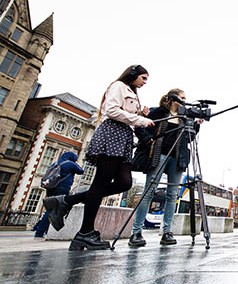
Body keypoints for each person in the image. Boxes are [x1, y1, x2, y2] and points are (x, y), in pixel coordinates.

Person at [43, 65, 154, 250]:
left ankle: (66, 201)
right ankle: (85, 232)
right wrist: (140, 120)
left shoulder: (131, 92)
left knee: (125, 182)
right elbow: (111, 111)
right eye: (143, 78)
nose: (145, 82)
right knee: (100, 183)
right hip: (112, 134)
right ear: (133, 75)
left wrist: (139, 114)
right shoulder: (118, 86)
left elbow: (125, 113)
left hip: (123, 137)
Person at [129, 89, 202, 247]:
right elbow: (139, 126)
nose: (184, 100)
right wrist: (148, 140)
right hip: (158, 155)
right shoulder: (158, 112)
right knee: (149, 191)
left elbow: (188, 139)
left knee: (172, 195)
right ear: (173, 98)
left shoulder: (185, 117)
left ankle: (167, 231)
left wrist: (196, 126)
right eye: (182, 98)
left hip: (177, 158)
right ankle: (136, 231)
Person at [34, 151, 84, 239]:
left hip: (51, 188)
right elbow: (81, 171)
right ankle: (40, 231)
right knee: (55, 210)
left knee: (50, 209)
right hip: (62, 188)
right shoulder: (70, 164)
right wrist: (76, 163)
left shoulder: (56, 163)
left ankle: (43, 230)